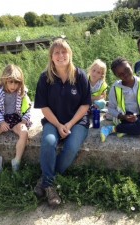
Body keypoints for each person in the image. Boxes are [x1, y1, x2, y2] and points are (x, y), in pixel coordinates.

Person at [34, 38, 91, 207]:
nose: (60, 55)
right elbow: (44, 107)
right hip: (54, 121)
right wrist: (59, 125)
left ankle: (45, 180)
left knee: (72, 147)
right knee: (49, 142)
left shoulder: (80, 75)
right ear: (51, 57)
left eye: (64, 51)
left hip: (78, 121)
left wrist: (70, 124)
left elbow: (85, 105)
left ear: (70, 54)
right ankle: (50, 186)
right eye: (56, 52)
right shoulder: (45, 78)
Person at [0, 64, 31, 172]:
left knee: (24, 133)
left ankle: (17, 161)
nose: (14, 86)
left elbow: (27, 108)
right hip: (3, 119)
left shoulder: (22, 93)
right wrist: (1, 122)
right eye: (11, 82)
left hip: (16, 119)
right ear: (5, 80)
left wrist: (24, 121)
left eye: (17, 82)